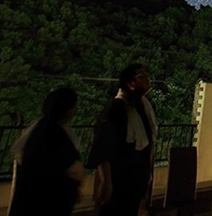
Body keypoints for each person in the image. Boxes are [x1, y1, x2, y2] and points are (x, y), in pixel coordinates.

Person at [88, 63, 158, 216]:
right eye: (142, 77)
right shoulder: (116, 109)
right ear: (131, 83)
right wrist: (106, 182)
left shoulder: (140, 107)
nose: (148, 80)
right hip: (119, 183)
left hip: (134, 183)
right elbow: (103, 149)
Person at [9, 87, 84, 216]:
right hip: (48, 202)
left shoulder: (39, 128)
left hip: (30, 201)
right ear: (67, 110)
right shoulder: (55, 133)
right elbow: (74, 170)